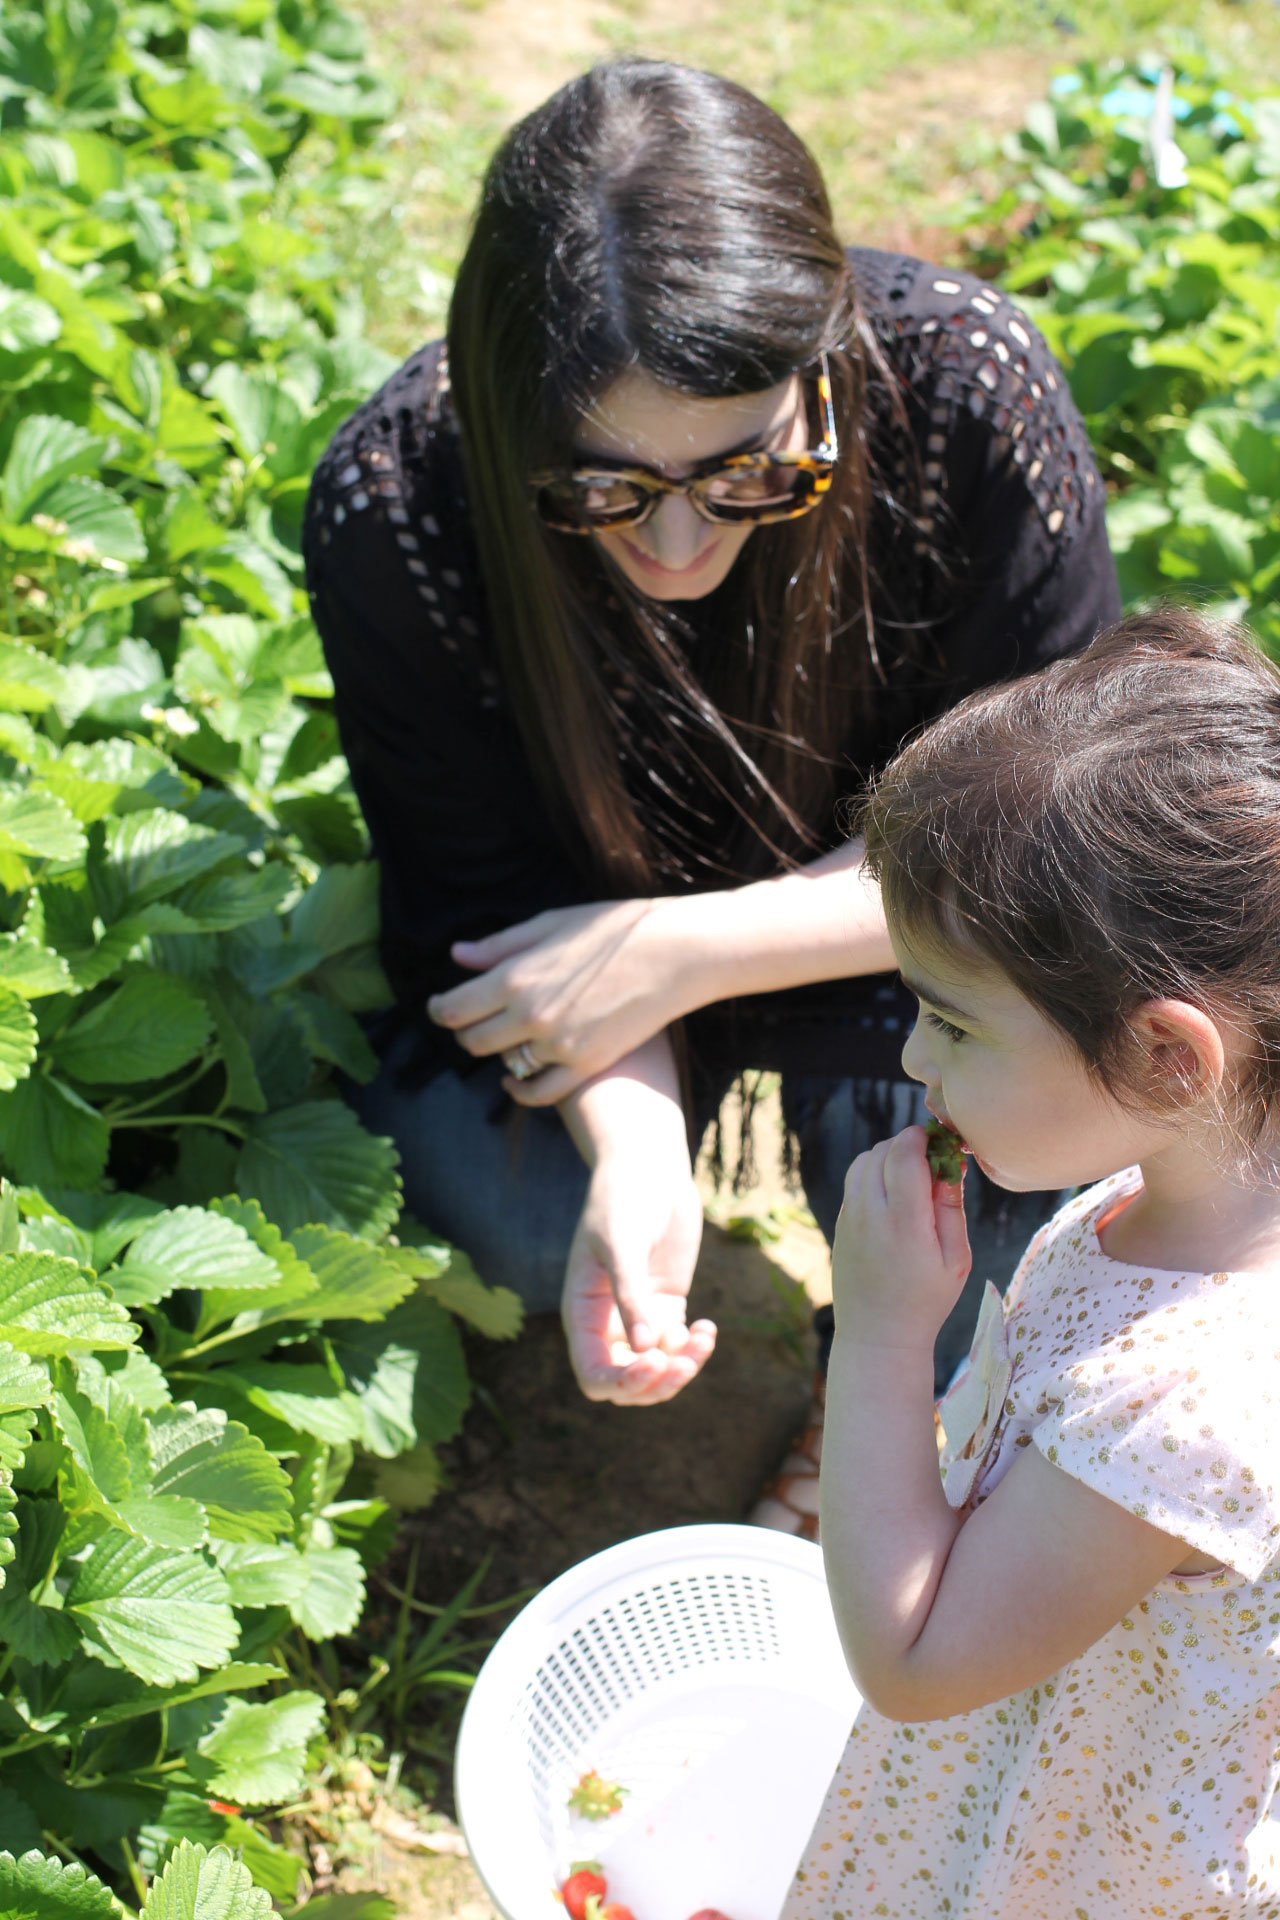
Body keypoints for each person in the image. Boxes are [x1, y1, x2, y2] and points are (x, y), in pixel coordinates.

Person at [301, 58, 1121, 1466]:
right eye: (601, 487)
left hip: (908, 925)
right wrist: (637, 1149)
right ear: (508, 425)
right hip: (588, 941)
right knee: (484, 1200)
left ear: (825, 356)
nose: (679, 547)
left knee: (1053, 1181)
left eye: (751, 473)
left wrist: (697, 949)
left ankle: (875, 1395)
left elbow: (1040, 842)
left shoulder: (966, 392)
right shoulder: (401, 504)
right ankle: (822, 1340)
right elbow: (482, 911)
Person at [785, 608, 1280, 1919]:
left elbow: (914, 1660)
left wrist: (886, 1337)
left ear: (1168, 1059)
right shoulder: (1192, 1180)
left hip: (1077, 1857)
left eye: (951, 1021)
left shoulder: (1183, 1406)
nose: (912, 1063)